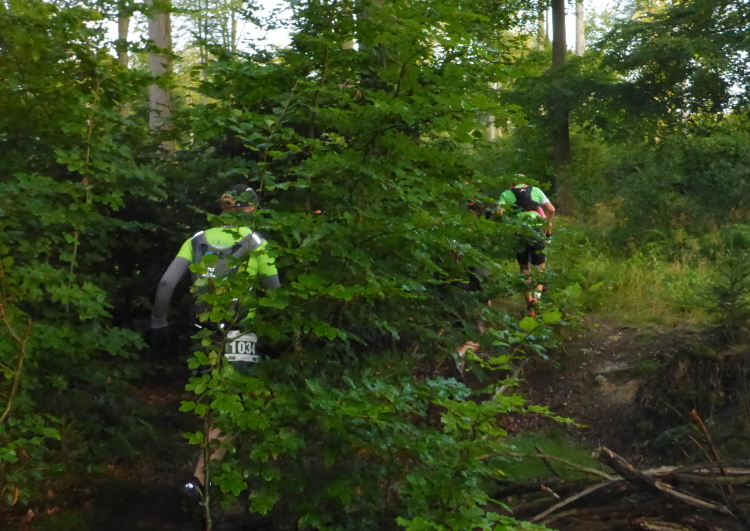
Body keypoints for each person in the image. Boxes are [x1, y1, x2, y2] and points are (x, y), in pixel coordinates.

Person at [149, 184, 281, 511]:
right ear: (251, 209)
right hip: (241, 334)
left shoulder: (197, 239)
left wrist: (159, 322)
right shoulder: (255, 242)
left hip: (204, 333)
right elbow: (275, 292)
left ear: (223, 208)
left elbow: (166, 283)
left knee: (210, 401)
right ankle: (202, 482)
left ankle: (208, 475)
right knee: (231, 407)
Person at [498, 178, 555, 315]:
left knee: (524, 269)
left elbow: (499, 214)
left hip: (519, 232)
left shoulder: (506, 193)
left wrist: (508, 224)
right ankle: (536, 298)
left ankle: (529, 304)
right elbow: (551, 209)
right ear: (527, 183)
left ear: (512, 184)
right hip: (535, 232)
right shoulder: (535, 190)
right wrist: (546, 226)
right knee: (540, 269)